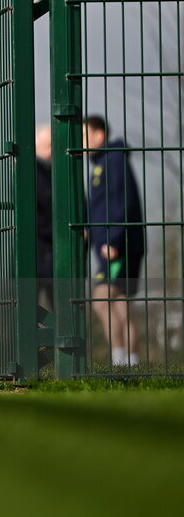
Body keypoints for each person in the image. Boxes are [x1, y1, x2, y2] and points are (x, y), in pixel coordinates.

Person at [84, 115, 145, 366]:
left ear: (99, 135)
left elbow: (121, 202)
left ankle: (123, 360)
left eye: (85, 135)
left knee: (102, 299)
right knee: (118, 302)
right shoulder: (102, 163)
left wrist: (114, 240)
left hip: (118, 246)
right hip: (110, 245)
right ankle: (128, 362)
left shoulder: (113, 159)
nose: (82, 142)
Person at [35, 123, 53, 311]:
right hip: (38, 249)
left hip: (50, 251)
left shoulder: (53, 171)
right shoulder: (33, 173)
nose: (51, 152)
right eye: (48, 146)